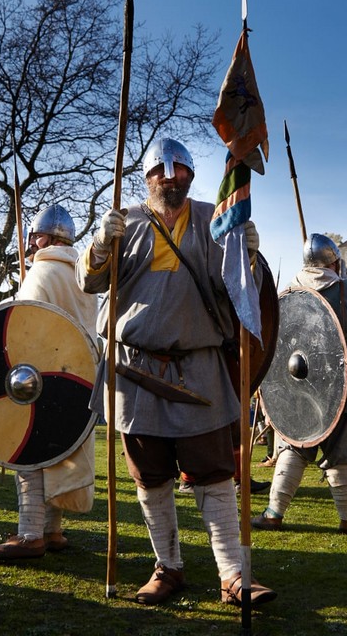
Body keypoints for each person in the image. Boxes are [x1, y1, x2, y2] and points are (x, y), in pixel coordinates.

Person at [76, 137, 275, 607]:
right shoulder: (125, 223)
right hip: (134, 368)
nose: (171, 176)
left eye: (180, 169)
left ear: (190, 174)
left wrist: (248, 254)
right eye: (161, 171)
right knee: (151, 475)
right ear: (147, 178)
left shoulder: (215, 218)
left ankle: (233, 575)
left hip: (199, 366)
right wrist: (101, 244)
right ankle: (168, 567)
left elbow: (243, 291)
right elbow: (89, 281)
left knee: (213, 472)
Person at [0, 204, 98, 560]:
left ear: (45, 238)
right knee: (61, 452)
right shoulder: (85, 278)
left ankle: (30, 534)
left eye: (34, 238)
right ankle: (53, 530)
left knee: (29, 453)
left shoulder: (41, 274)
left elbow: (25, 336)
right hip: (79, 380)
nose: (31, 244)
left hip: (42, 379)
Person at [252, 233, 347, 534]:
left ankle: (274, 512)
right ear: (334, 262)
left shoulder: (287, 292)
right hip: (342, 380)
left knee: (293, 448)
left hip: (298, 382)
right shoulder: (344, 290)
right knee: (342, 451)